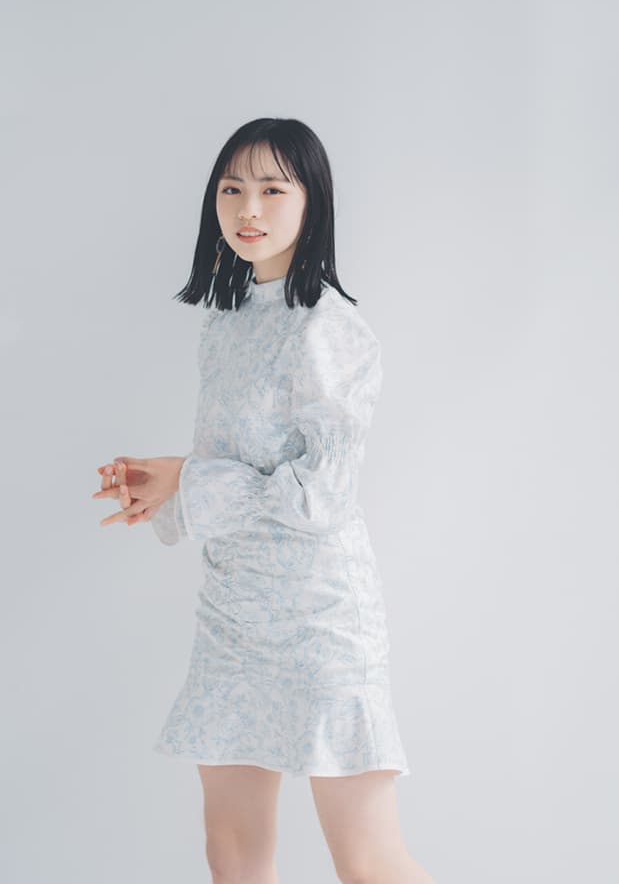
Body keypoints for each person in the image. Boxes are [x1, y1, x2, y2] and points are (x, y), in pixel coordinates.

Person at [92, 118, 436, 883]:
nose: (248, 207)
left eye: (273, 189)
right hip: (232, 616)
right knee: (232, 849)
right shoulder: (227, 323)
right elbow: (234, 469)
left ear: (313, 202)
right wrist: (165, 485)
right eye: (232, 188)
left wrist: (189, 477)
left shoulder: (331, 330)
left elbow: (323, 496)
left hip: (319, 617)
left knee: (366, 859)